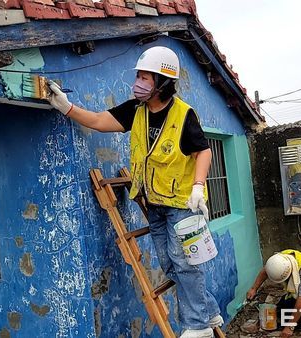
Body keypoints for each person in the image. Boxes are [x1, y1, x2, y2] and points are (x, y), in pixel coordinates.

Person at [48, 46, 221, 338]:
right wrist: (67, 107)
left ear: (163, 82)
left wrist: (198, 187)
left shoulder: (183, 114)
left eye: (145, 77)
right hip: (153, 203)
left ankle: (197, 325)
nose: (139, 82)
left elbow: (203, 151)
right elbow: (100, 122)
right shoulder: (135, 110)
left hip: (181, 203)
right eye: (139, 76)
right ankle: (209, 311)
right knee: (169, 265)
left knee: (184, 263)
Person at [246, 249, 301, 337]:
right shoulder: (280, 259)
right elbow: (265, 271)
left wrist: (290, 327)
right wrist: (254, 289)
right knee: (280, 310)